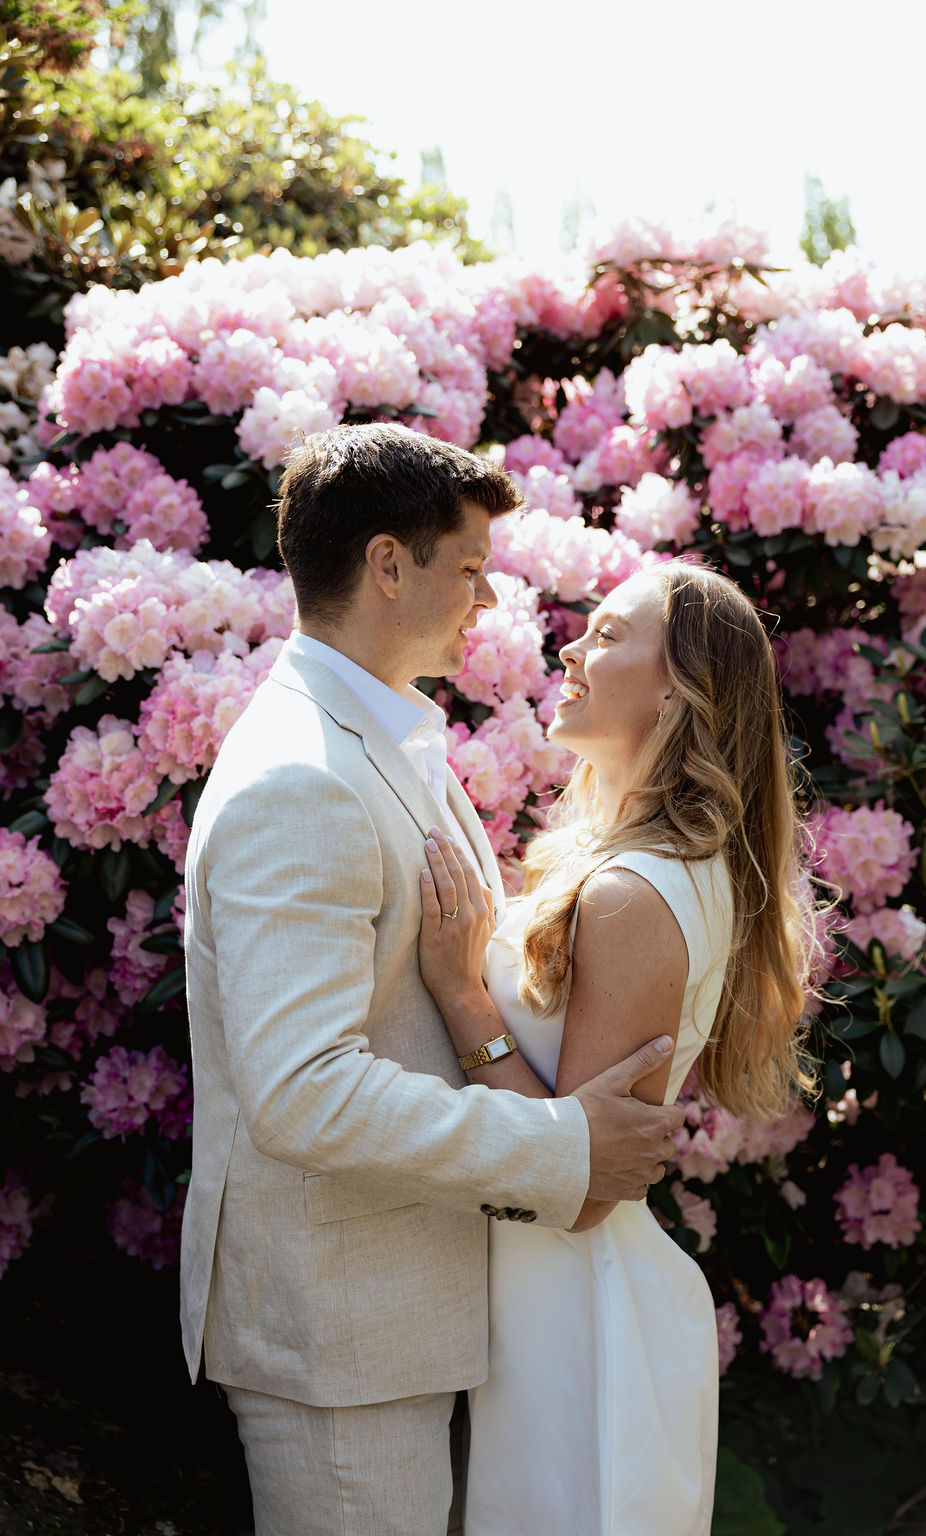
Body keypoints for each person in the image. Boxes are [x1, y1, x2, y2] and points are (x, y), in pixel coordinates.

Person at [179, 422, 689, 1536]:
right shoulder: (300, 779)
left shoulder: (383, 735)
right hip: (339, 1339)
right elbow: (302, 1091)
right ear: (386, 564)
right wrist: (561, 1144)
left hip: (400, 1314)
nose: (488, 597)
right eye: (467, 566)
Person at [418, 558, 818, 1536]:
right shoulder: (643, 866)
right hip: (540, 1309)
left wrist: (462, 995)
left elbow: (587, 1187)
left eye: (605, 635)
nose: (569, 649)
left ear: (676, 690)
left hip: (577, 1332)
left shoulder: (635, 894)